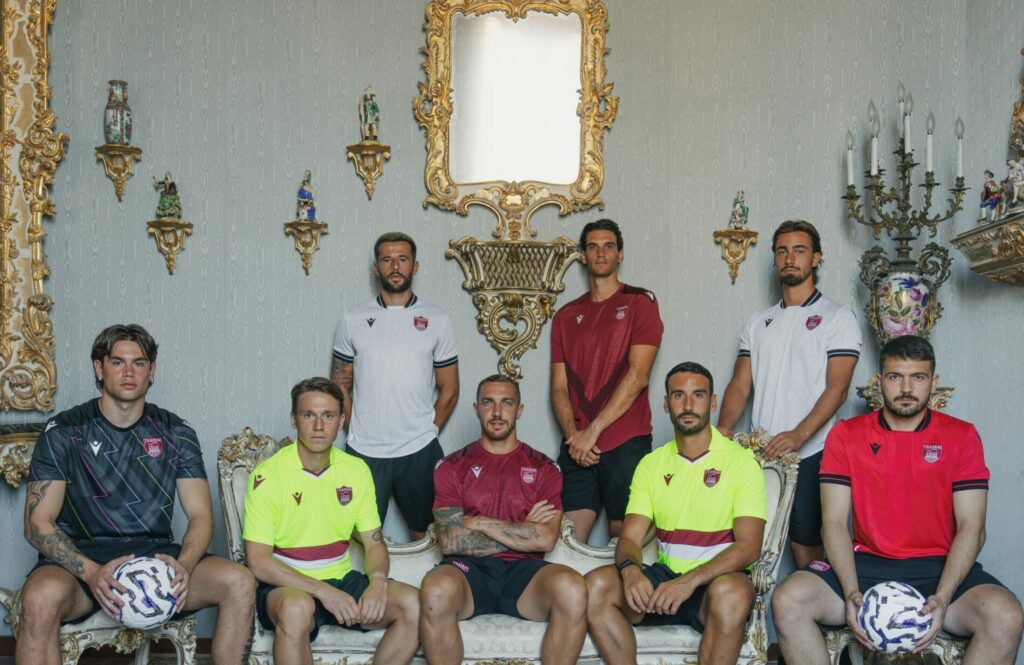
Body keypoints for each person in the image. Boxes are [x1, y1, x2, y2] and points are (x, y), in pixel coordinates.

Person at [772, 335, 1023, 663]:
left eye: (917, 377)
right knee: (788, 599)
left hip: (939, 565)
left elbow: (972, 527)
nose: (906, 388)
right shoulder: (846, 435)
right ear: (879, 381)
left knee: (1006, 616)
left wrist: (943, 597)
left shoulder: (961, 436)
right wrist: (850, 591)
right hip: (865, 563)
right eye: (895, 377)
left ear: (933, 382)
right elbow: (832, 522)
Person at [18, 324, 255, 665]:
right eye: (118, 362)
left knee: (239, 582)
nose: (129, 372)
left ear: (151, 370)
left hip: (155, 556)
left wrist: (185, 565)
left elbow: (201, 515)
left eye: (139, 363)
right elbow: (37, 524)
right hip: (83, 559)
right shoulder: (64, 431)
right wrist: (92, 573)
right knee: (39, 598)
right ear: (99, 368)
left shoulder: (176, 431)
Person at [586, 362, 766, 665]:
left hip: (717, 580)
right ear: (666, 404)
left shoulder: (741, 462)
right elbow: (629, 539)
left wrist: (690, 582)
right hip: (666, 578)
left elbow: (749, 547)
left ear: (712, 402)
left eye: (698, 395)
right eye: (678, 395)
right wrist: (630, 572)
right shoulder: (651, 465)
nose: (688, 405)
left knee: (731, 595)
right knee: (595, 587)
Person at [244, 377, 419, 665]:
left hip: (341, 579)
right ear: (293, 420)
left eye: (328, 416)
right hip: (287, 585)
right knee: (296, 609)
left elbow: (374, 543)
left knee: (414, 604)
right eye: (308, 415)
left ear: (341, 421)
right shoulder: (268, 476)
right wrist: (324, 592)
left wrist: (377, 582)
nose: (318, 426)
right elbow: (258, 561)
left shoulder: (356, 470)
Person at [717, 219, 861, 568]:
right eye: (782, 251)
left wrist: (798, 435)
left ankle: (809, 603)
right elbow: (740, 384)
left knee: (805, 547)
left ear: (816, 258)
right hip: (759, 453)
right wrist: (723, 430)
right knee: (745, 543)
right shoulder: (758, 322)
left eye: (799, 250)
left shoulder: (838, 317)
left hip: (811, 451)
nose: (790, 258)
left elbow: (838, 387)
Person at [419, 375, 587, 665]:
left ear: (519, 410)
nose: (497, 412)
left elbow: (546, 539)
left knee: (572, 588)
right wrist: (524, 532)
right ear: (476, 409)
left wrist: (478, 522)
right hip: (467, 571)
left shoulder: (545, 468)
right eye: (488, 403)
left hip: (524, 573)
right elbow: (450, 540)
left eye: (506, 403)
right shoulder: (451, 466)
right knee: (435, 590)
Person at [331, 231, 459, 541]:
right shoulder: (353, 319)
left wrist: (429, 431)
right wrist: (355, 430)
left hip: (419, 448)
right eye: (387, 260)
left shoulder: (438, 319)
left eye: (402, 259)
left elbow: (450, 389)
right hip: (365, 449)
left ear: (415, 266)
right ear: (376, 268)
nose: (395, 266)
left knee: (429, 537)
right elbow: (339, 386)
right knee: (361, 538)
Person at [550, 218, 664, 542]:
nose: (601, 253)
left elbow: (638, 376)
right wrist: (574, 437)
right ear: (583, 256)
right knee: (565, 539)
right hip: (577, 446)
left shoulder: (640, 302)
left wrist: (593, 432)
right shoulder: (565, 316)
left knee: (623, 537)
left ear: (620, 254)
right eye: (593, 247)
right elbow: (558, 386)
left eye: (609, 246)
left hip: (624, 441)